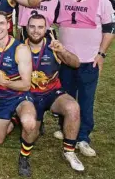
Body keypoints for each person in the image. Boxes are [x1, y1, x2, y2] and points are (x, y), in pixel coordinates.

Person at [55, 0, 115, 157]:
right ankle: (65, 129)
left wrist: (101, 53)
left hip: (89, 61)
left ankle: (82, 138)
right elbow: (50, 21)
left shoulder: (101, 0)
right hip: (66, 59)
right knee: (66, 97)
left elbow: (109, 28)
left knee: (86, 100)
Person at [24, 14, 84, 171]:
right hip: (30, 96)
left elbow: (76, 63)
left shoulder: (53, 46)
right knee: (31, 131)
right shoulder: (19, 47)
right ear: (26, 28)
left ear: (46, 29)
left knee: (73, 107)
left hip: (52, 93)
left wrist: (63, 51)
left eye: (40, 27)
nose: (36, 31)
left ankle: (69, 151)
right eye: (32, 27)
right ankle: (24, 154)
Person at [0, 11, 37, 177]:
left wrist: (5, 82)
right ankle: (14, 120)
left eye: (1, 23)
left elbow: (26, 84)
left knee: (30, 122)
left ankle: (24, 157)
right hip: (1, 98)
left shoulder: (21, 49)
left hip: (19, 95)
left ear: (8, 25)